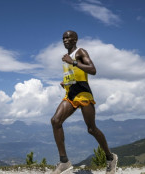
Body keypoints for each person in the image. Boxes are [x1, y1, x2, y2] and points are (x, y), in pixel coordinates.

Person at [50, 30, 118, 174]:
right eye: (63, 38)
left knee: (91, 129)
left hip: (83, 94)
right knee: (56, 121)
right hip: (71, 94)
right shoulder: (67, 57)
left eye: (68, 37)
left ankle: (110, 158)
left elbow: (93, 70)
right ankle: (64, 162)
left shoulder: (80, 52)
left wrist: (73, 62)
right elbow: (75, 75)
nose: (65, 40)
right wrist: (67, 83)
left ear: (75, 40)